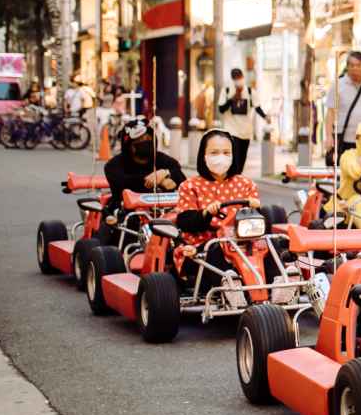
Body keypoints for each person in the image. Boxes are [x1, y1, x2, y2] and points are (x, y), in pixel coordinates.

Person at [172, 129, 264, 284]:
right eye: (215, 152)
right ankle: (231, 287)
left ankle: (280, 284)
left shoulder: (246, 184)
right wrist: (206, 213)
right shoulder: (189, 186)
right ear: (204, 156)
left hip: (243, 243)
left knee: (268, 246)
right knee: (218, 250)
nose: (221, 157)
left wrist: (256, 209)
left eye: (226, 153)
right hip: (203, 245)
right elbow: (185, 222)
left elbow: (257, 223)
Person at [101, 117, 187, 243]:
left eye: (148, 140)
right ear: (129, 146)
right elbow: (122, 184)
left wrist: (165, 172)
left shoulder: (163, 160)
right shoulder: (113, 165)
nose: (145, 142)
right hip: (129, 213)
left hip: (164, 211)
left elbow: (181, 179)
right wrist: (159, 181)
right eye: (140, 141)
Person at [217, 68, 268, 167]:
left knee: (241, 161)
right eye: (235, 78)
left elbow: (257, 108)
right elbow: (221, 109)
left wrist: (266, 117)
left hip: (246, 132)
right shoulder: (226, 91)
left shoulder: (250, 92)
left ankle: (236, 179)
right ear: (232, 79)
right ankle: (232, 180)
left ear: (243, 77)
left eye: (239, 77)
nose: (238, 80)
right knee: (234, 160)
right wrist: (232, 99)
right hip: (231, 131)